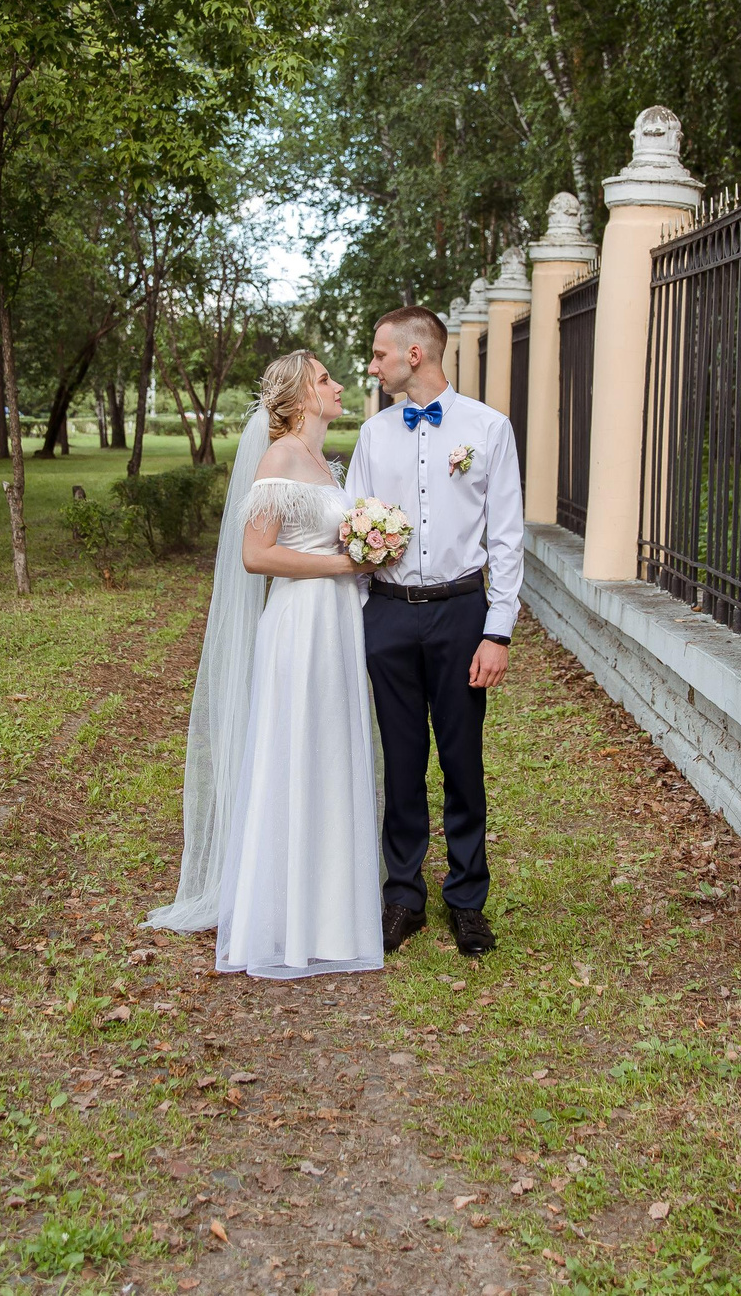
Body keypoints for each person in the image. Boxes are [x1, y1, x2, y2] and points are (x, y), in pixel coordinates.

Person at [151, 350, 383, 979]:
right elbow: (257, 554)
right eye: (327, 379)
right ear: (303, 395)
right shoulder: (280, 456)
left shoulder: (323, 463)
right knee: (295, 747)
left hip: (335, 622)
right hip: (300, 623)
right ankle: (282, 917)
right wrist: (345, 564)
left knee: (330, 749)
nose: (338, 386)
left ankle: (332, 914)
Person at [345, 306, 522, 958]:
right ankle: (402, 897)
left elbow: (505, 536)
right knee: (401, 758)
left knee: (461, 758)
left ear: (414, 354)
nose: (372, 363)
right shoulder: (374, 435)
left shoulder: (488, 428)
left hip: (460, 613)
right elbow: (355, 529)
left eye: (379, 352)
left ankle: (468, 901)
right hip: (388, 611)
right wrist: (361, 620)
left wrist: (496, 630)